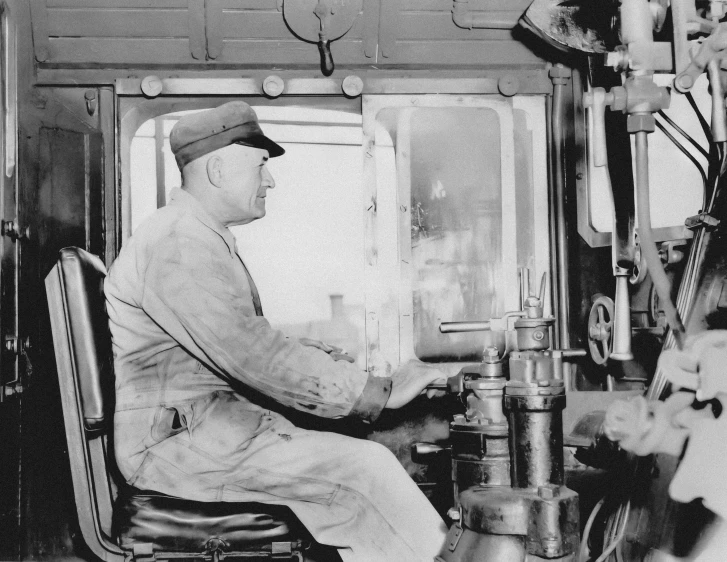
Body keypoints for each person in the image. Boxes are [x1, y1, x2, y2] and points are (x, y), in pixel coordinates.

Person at [105, 101, 449, 561]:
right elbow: (253, 355)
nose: (271, 180)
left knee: (377, 453)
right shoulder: (179, 244)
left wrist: (328, 361)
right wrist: (376, 392)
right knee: (367, 471)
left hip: (207, 430)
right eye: (262, 165)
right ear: (219, 168)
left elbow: (239, 341)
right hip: (179, 447)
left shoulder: (193, 236)